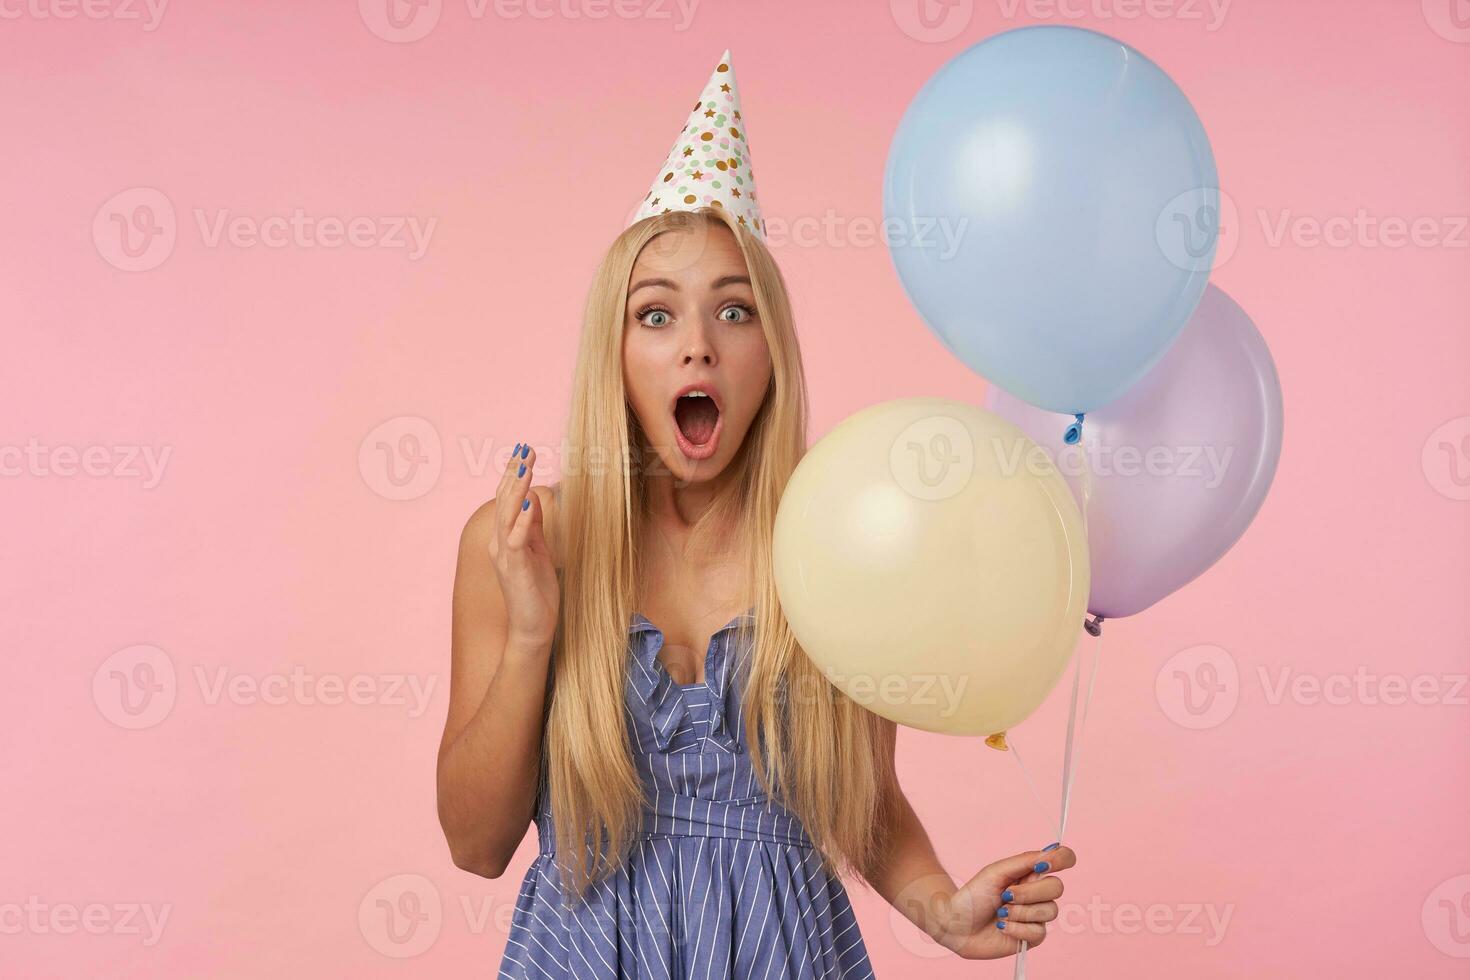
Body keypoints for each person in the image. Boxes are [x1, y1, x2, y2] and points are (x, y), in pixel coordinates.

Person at [436, 51, 1075, 979]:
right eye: (656, 317)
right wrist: (535, 630)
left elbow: (864, 797)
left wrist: (939, 904)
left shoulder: (840, 536)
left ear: (772, 352)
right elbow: (474, 844)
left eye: (733, 314)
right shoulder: (525, 543)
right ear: (613, 352)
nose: (697, 346)